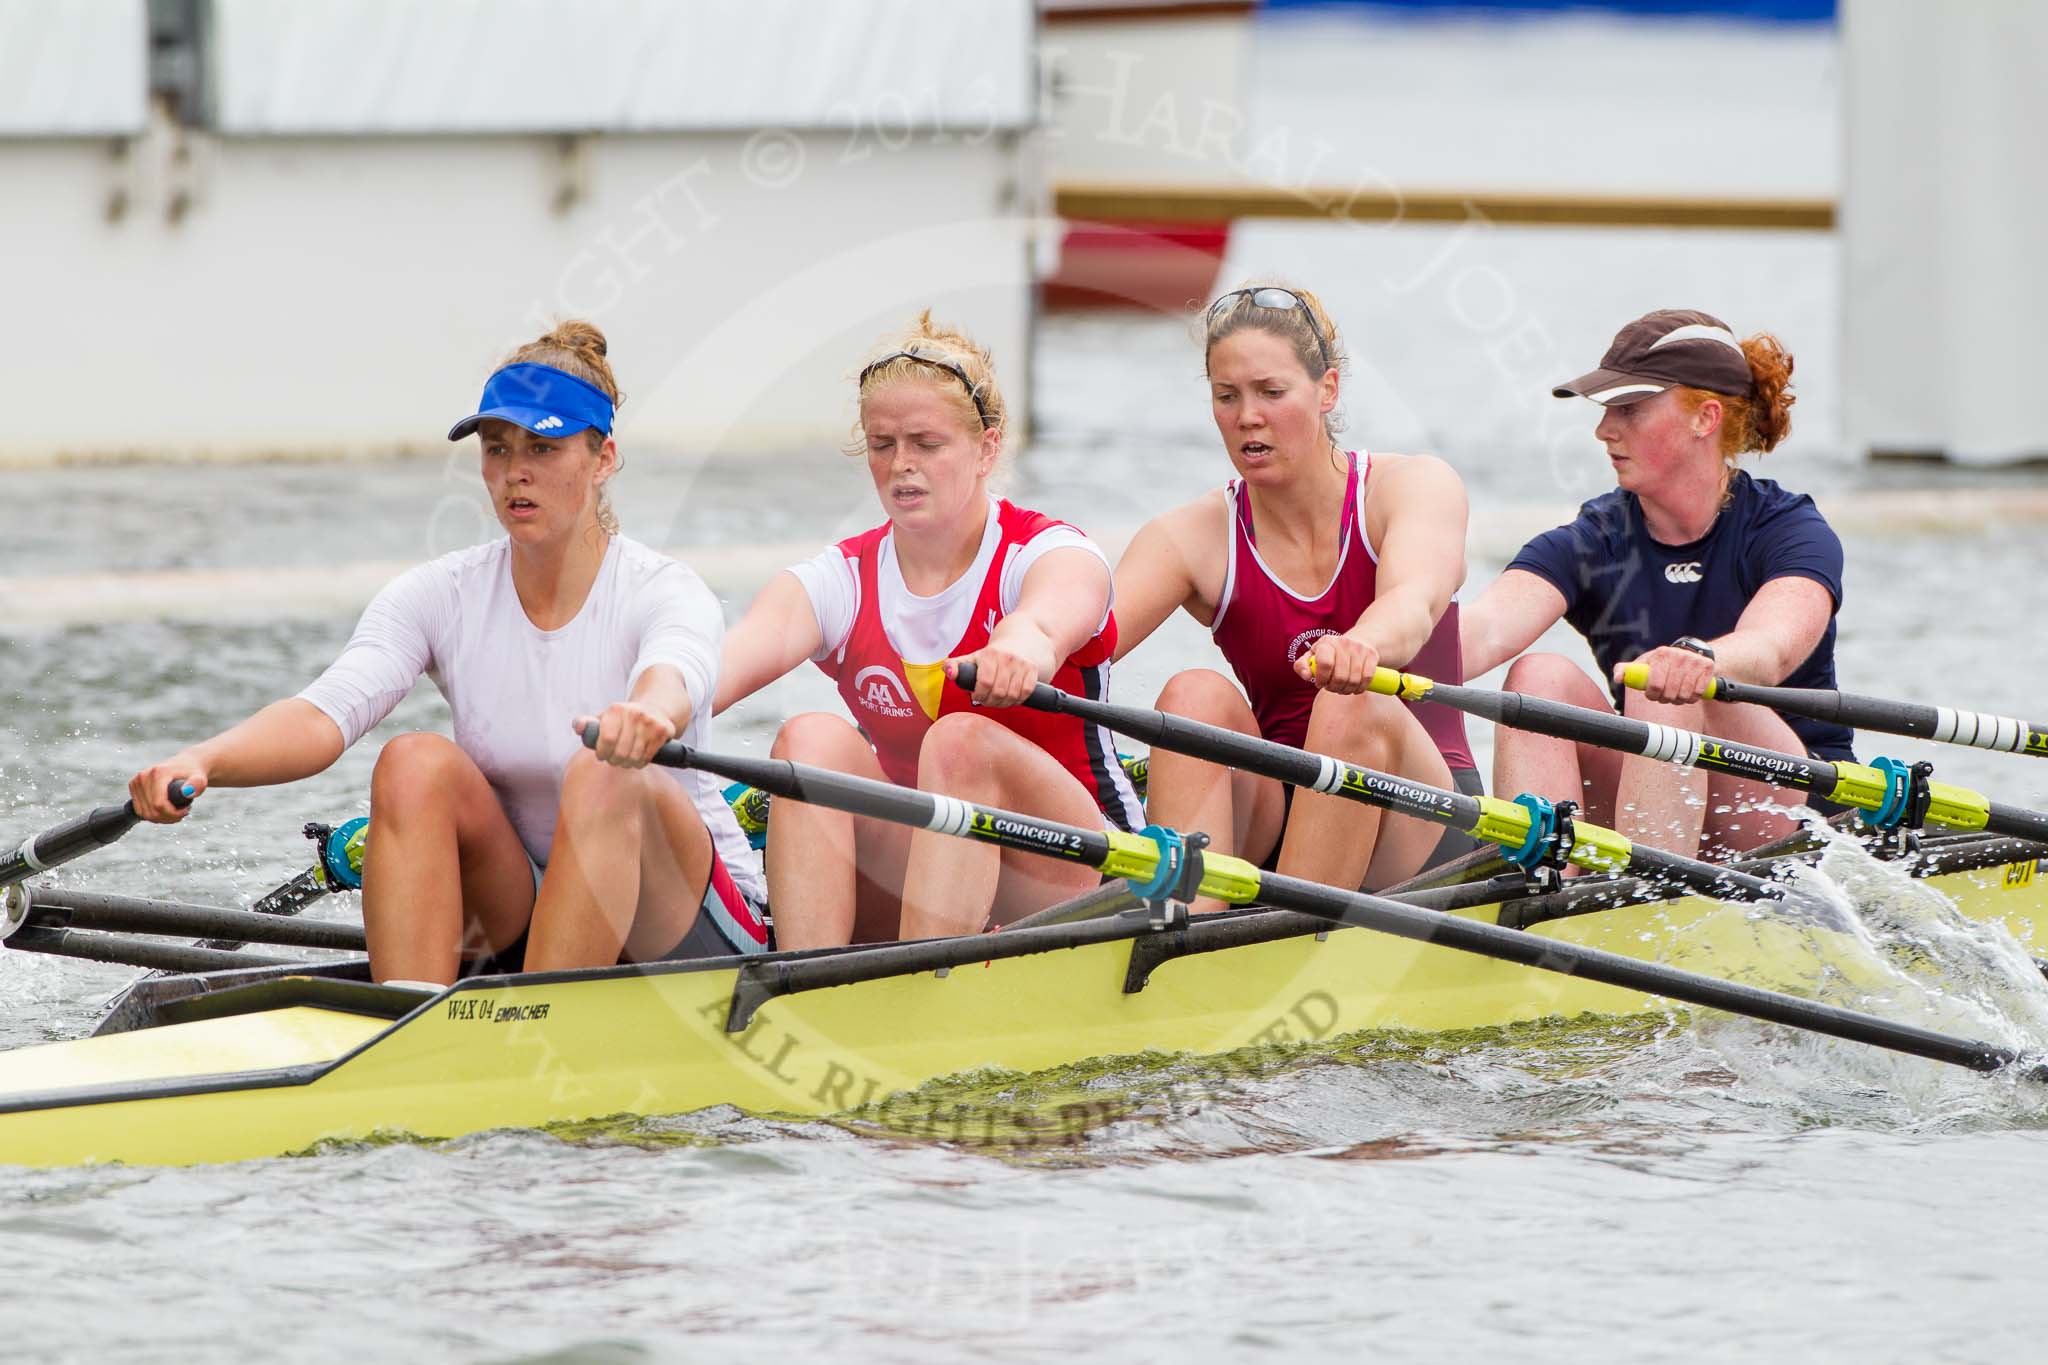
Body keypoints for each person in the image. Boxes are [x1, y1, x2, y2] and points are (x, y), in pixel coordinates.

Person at [127, 322, 768, 984]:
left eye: (543, 447)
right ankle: (409, 1023)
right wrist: (203, 758)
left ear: (602, 458)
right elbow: (323, 715)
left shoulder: (665, 590)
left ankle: (535, 1025)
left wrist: (649, 714)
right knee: (413, 761)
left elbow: (675, 672)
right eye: (497, 449)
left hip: (686, 926)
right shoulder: (443, 593)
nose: (515, 472)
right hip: (527, 905)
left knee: (603, 771)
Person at [715, 312, 1143, 946]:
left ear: (986, 449)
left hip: (1080, 875)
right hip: (931, 867)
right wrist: (642, 708)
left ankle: (921, 984)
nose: (900, 465)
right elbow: (712, 673)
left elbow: (1052, 614)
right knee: (810, 738)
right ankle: (805, 991)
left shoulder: (1046, 551)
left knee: (960, 741)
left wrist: (1021, 646)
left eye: (926, 443)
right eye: (882, 444)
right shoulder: (840, 580)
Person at [1109, 283, 1480, 907]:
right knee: (1189, 696)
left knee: (1350, 701)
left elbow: (1413, 605)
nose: (1247, 416)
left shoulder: (1412, 486)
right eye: (1226, 397)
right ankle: (1181, 935)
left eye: (1271, 393)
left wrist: (1361, 644)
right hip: (1281, 815)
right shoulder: (1191, 536)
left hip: (1425, 820)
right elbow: (1081, 646)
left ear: (1327, 389)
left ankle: (1285, 939)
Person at [1460, 308, 1849, 858]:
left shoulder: (1789, 529)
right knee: (1536, 678)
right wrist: (1363, 643)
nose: (1604, 430)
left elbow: (1769, 649)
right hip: (1666, 788)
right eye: (1606, 410)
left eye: (1631, 409)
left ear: (1704, 418)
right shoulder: (1597, 537)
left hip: (1795, 812)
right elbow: (1479, 634)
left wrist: (1692, 658)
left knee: (1659, 684)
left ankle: (1648, 900)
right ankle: (1547, 891)